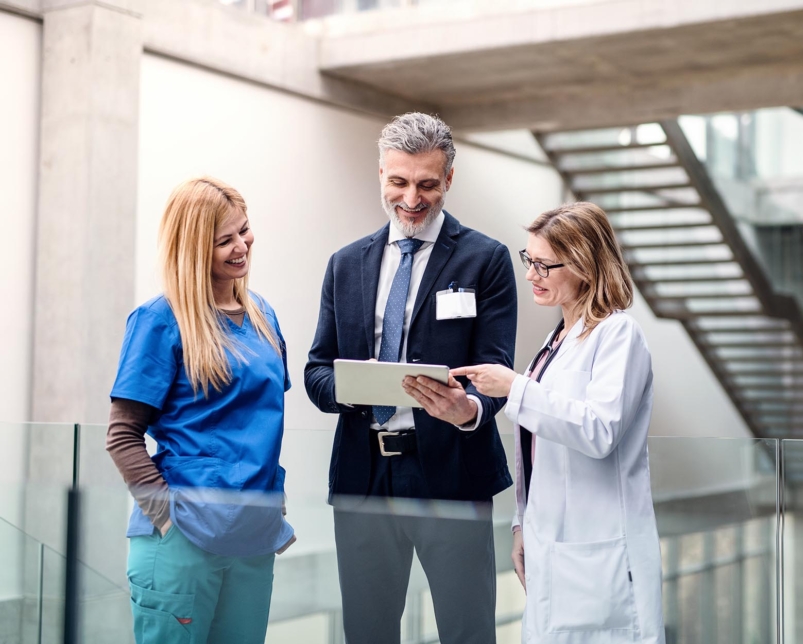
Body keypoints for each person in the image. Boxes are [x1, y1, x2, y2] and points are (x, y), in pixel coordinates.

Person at [304, 112, 518, 643]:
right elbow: (316, 371)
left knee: (467, 630)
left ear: (448, 179)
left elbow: (494, 368)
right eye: (399, 182)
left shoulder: (485, 259)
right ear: (380, 174)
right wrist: (353, 388)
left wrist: (467, 409)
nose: (412, 198)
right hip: (363, 475)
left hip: (452, 474)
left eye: (427, 184)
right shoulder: (345, 263)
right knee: (367, 632)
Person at [453, 202, 665, 643]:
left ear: (586, 264)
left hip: (599, 551)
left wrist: (514, 388)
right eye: (529, 260)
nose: (531, 275)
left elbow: (598, 431)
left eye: (545, 265)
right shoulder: (556, 341)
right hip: (549, 544)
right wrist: (521, 524)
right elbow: (538, 451)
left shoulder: (617, 335)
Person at [107, 177, 295, 644]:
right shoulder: (159, 320)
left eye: (244, 231)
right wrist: (167, 519)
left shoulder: (262, 317)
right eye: (223, 240)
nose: (241, 247)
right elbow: (122, 435)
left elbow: (258, 420)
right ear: (192, 247)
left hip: (253, 534)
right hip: (183, 537)